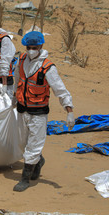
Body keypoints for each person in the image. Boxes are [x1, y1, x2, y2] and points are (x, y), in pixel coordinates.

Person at [12, 31, 75, 192]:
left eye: (34, 47)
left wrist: (69, 111)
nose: (31, 50)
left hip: (38, 113)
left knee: (33, 145)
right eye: (29, 47)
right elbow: (17, 80)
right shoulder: (22, 60)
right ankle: (38, 161)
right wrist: (13, 97)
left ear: (40, 46)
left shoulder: (48, 67)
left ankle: (25, 179)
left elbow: (60, 90)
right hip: (22, 109)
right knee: (21, 143)